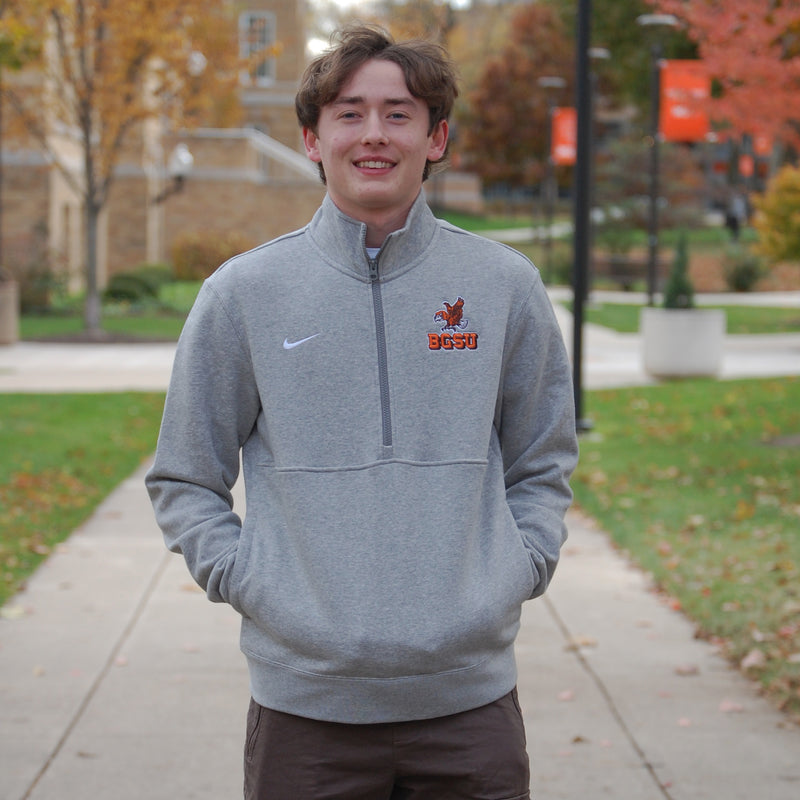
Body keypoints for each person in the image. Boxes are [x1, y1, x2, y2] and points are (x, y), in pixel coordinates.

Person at [146, 24, 578, 800]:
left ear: (436, 137)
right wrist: (258, 584)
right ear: (312, 138)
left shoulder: (503, 286)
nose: (373, 134)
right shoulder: (244, 293)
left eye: (399, 113)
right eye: (348, 113)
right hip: (305, 717)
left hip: (468, 709)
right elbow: (184, 478)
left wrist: (518, 565)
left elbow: (543, 461)